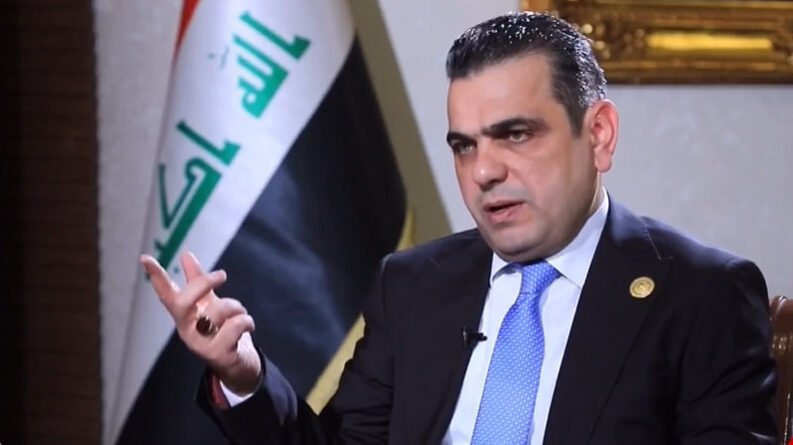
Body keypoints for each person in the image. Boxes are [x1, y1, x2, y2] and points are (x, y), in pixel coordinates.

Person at [141, 11, 778, 444]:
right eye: (464, 146)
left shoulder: (702, 295)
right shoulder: (414, 285)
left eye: (515, 135)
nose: (484, 171)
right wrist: (244, 376)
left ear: (599, 135)